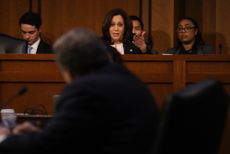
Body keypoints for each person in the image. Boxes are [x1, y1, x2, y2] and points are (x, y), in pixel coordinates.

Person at [0, 28, 159, 153]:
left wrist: (5, 137)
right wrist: (39, 133)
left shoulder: (86, 89)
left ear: (69, 69)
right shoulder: (126, 78)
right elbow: (79, 134)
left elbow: (52, 145)